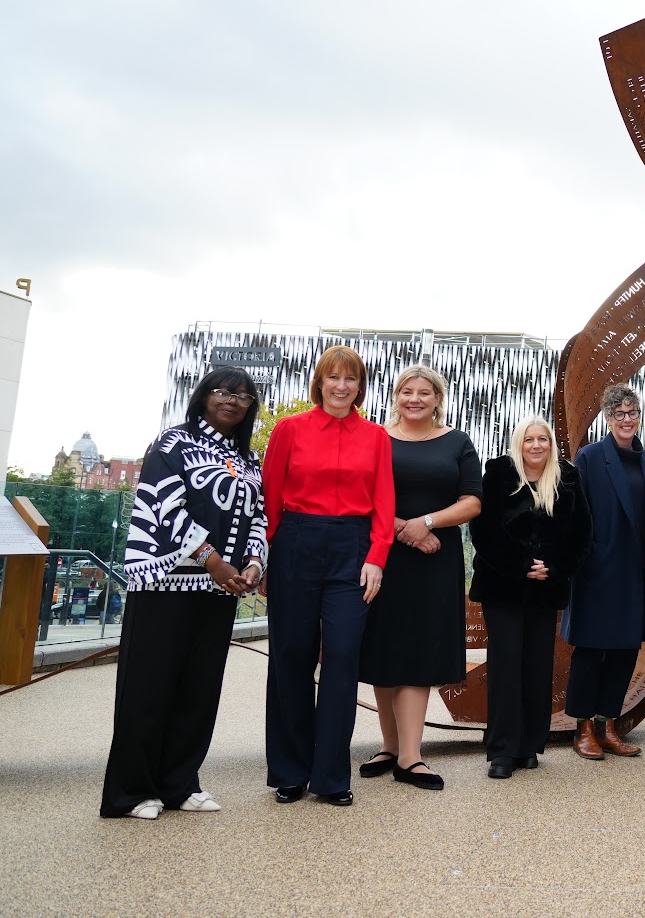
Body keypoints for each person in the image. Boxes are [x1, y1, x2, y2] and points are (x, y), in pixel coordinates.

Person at [100, 369, 266, 819]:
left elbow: (259, 516)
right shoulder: (172, 444)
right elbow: (162, 505)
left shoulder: (248, 459)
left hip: (219, 588)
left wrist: (253, 563)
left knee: (199, 689)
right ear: (203, 396)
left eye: (244, 396)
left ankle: (179, 783)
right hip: (165, 581)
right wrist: (212, 559)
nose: (233, 401)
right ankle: (131, 791)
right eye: (223, 392)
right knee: (148, 686)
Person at [262, 345, 395, 807]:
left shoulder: (376, 437)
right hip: (296, 544)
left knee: (341, 657)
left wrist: (377, 555)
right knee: (291, 656)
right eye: (333, 378)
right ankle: (290, 771)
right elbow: (270, 498)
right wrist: (269, 556)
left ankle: (331, 777)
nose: (341, 386)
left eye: (351, 379)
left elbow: (384, 502)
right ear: (319, 382)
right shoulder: (288, 430)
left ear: (361, 386)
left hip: (353, 551)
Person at [357, 366, 482, 791]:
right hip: (382, 556)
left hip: (435, 562)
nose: (415, 399)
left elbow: (472, 502)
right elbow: (361, 495)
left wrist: (426, 522)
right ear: (396, 396)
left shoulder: (458, 442)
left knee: (419, 651)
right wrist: (402, 529)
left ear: (437, 398)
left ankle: (411, 757)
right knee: (384, 648)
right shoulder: (376, 437)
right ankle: (388, 746)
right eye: (407, 392)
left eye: (424, 393)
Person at [469, 415, 592, 779]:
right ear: (518, 443)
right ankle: (503, 750)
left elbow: (582, 532)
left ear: (551, 445)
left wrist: (552, 566)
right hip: (503, 586)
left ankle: (528, 746)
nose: (536, 445)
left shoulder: (568, 477)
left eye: (543, 439)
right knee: (506, 665)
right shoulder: (498, 473)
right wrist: (522, 564)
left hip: (545, 587)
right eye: (529, 439)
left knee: (537, 665)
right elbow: (483, 529)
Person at [564, 384, 645, 760]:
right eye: (620, 413)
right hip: (598, 568)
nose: (627, 420)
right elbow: (575, 515)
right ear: (607, 417)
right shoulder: (589, 457)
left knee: (623, 651)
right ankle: (583, 728)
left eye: (633, 413)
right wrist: (589, 557)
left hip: (635, 571)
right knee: (591, 649)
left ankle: (608, 725)